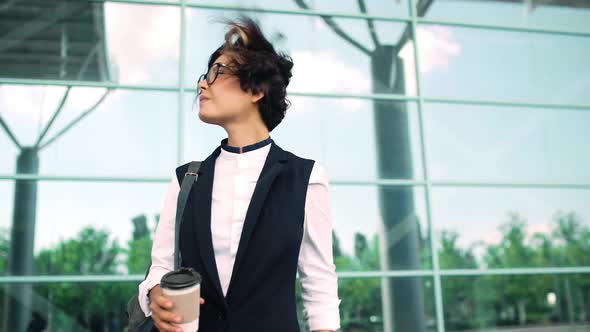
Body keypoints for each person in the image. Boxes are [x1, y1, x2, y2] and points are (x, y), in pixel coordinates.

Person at [138, 16, 340, 332]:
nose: (202, 84)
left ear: (257, 89)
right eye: (204, 75)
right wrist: (154, 294)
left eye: (217, 73)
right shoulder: (186, 180)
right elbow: (160, 268)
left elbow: (320, 288)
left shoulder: (306, 178)